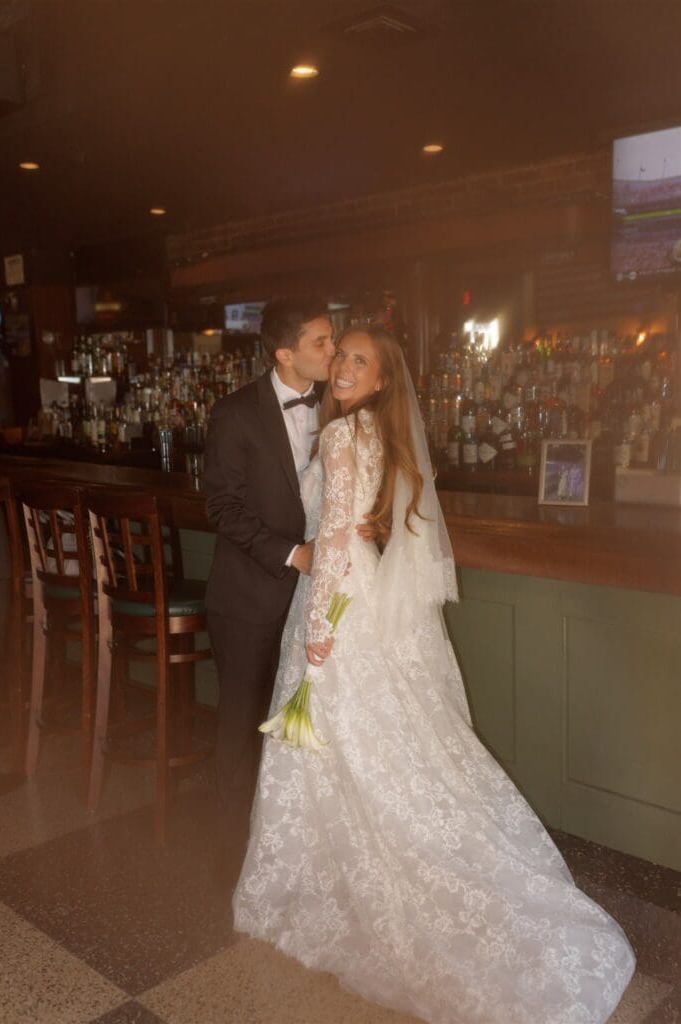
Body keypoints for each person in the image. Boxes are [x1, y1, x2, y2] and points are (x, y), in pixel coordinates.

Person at [233, 324, 636, 1024]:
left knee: (343, 749)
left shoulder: (338, 437)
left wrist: (321, 632)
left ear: (383, 380)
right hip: (372, 604)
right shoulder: (381, 438)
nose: (346, 368)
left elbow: (332, 540)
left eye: (361, 361)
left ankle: (326, 888)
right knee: (391, 746)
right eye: (343, 357)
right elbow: (381, 524)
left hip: (336, 604)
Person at [204, 296, 335, 870]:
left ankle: (292, 848)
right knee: (241, 720)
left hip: (316, 598)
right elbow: (222, 508)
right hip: (250, 595)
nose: (334, 352)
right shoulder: (234, 414)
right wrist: (292, 554)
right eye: (321, 343)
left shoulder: (341, 405)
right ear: (285, 354)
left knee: (308, 724)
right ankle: (229, 851)